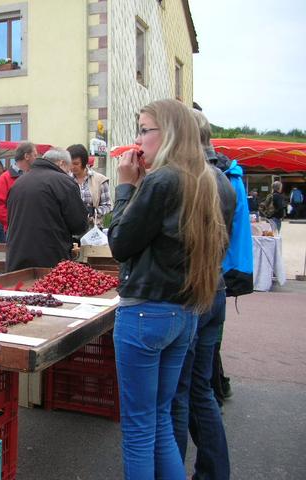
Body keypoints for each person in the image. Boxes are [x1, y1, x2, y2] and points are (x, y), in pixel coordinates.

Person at [108, 99, 228, 479]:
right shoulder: (203, 178)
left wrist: (126, 188)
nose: (138, 140)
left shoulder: (163, 180)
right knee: (158, 418)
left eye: (145, 129)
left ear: (170, 133)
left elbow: (121, 244)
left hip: (146, 312)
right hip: (184, 312)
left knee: (140, 429)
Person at [171, 109, 238, 480]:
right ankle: (214, 472)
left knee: (181, 395)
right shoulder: (223, 178)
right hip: (215, 291)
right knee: (201, 391)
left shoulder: (194, 179)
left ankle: (173, 471)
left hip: (193, 297)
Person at [6, 148, 87, 271]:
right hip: (51, 258)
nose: (69, 173)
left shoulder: (19, 183)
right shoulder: (64, 182)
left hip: (16, 257)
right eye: (68, 169)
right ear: (61, 163)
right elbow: (79, 225)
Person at [0, 142, 37, 235]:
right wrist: (15, 223)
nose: (37, 159)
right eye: (35, 155)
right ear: (27, 156)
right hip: (15, 230)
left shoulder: (35, 175)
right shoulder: (5, 178)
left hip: (33, 229)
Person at [67, 144, 112, 225]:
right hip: (70, 230)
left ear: (84, 162)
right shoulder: (65, 179)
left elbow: (108, 206)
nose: (72, 167)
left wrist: (94, 211)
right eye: (70, 163)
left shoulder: (100, 180)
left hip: (93, 229)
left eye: (76, 163)